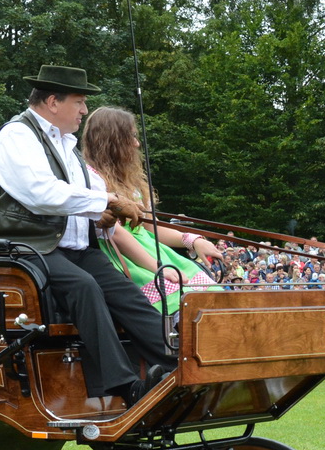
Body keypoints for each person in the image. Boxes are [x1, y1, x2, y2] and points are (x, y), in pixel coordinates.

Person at [0, 64, 176, 404]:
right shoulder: (16, 137)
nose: (85, 110)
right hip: (25, 248)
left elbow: (83, 194)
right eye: (80, 101)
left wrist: (106, 210)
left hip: (74, 248)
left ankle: (178, 365)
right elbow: (42, 193)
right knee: (85, 287)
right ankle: (125, 385)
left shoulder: (66, 145)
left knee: (127, 294)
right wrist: (109, 200)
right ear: (53, 101)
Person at [78, 106, 222, 310]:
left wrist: (191, 240)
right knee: (182, 302)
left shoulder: (132, 181)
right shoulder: (91, 178)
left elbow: (149, 227)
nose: (137, 144)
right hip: (122, 256)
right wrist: (157, 267)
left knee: (213, 297)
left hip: (152, 251)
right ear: (112, 142)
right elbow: (116, 233)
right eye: (131, 137)